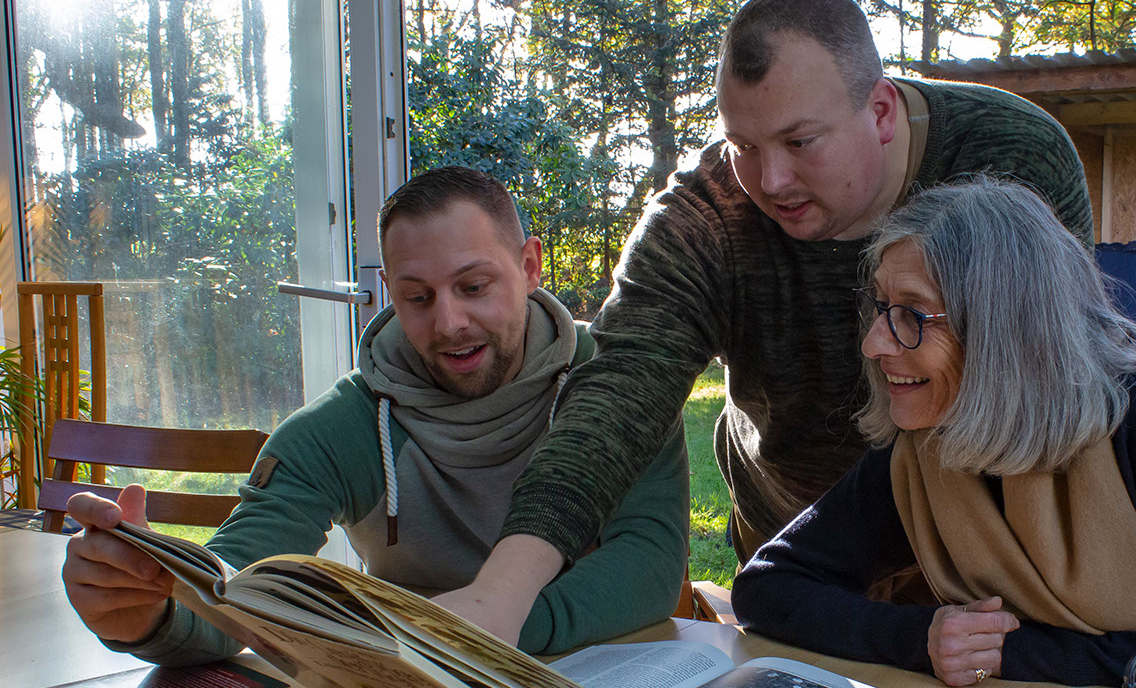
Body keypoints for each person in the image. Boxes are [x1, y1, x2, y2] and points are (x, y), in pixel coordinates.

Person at [438, 0, 1094, 642]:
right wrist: (500, 596)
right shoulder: (703, 220)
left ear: (883, 111)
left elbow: (1055, 379)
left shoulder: (1011, 162)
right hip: (794, 561)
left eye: (800, 141)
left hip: (983, 564)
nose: (769, 181)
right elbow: (616, 398)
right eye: (742, 145)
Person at [62, 166, 689, 662]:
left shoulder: (618, 387)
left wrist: (486, 632)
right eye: (418, 297)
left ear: (529, 266)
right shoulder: (343, 428)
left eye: (474, 287)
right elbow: (241, 581)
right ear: (390, 291)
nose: (449, 322)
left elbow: (651, 563)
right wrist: (154, 610)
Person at [730, 177, 1136, 688]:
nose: (875, 343)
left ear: (1002, 328)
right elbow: (767, 588)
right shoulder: (925, 439)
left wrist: (1014, 654)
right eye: (881, 307)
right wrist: (921, 637)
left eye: (913, 314)